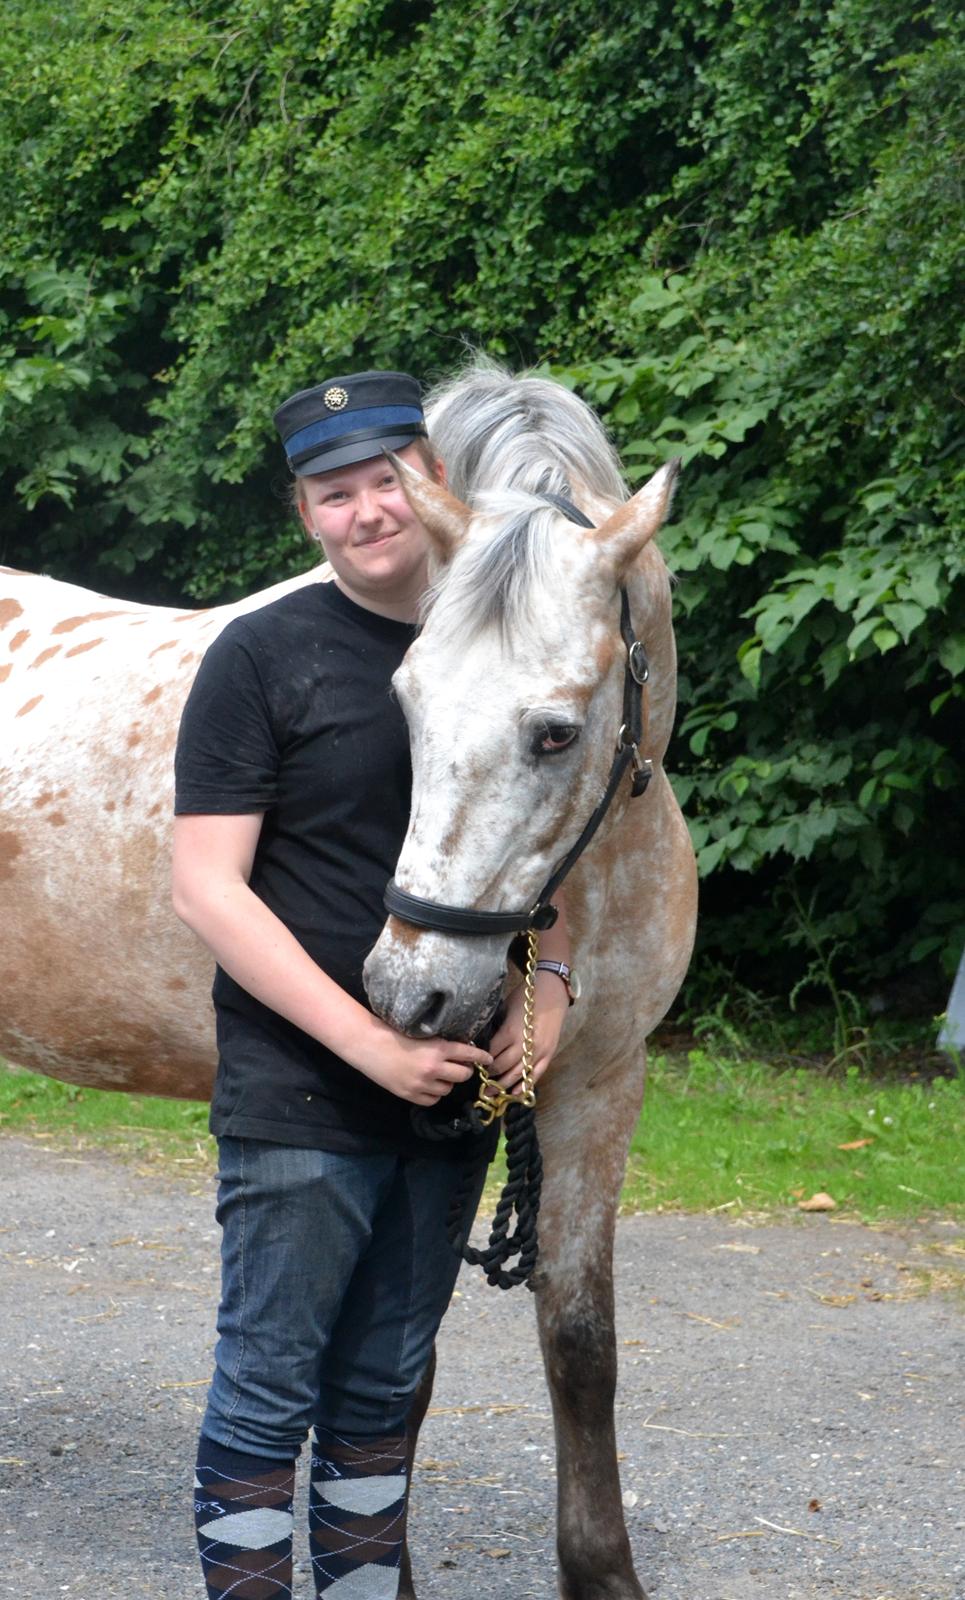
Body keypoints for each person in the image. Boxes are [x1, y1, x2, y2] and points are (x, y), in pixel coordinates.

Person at [172, 370, 572, 1600]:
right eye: (332, 494)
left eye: (385, 480)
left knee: (382, 1396)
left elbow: (541, 835)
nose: (366, 511)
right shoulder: (260, 656)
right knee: (267, 1389)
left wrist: (550, 983)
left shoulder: (506, 642)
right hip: (301, 1091)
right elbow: (207, 889)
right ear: (304, 515)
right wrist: (369, 1047)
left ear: (435, 481)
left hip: (446, 1093)